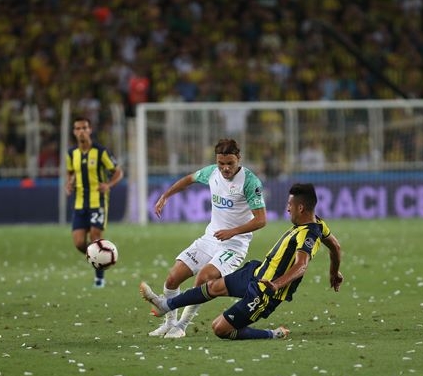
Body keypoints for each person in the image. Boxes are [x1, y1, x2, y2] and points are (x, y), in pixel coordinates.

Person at [140, 183, 343, 340]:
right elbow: (335, 246)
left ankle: (273, 334)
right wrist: (334, 272)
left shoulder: (309, 234)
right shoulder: (318, 223)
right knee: (212, 286)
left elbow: (301, 265)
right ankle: (166, 305)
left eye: (290, 205)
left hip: (265, 292)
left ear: (300, 208)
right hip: (257, 272)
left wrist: (276, 284)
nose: (287, 209)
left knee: (220, 329)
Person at [146, 138, 267, 339]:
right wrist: (165, 196)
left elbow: (261, 220)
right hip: (210, 238)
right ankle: (169, 324)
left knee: (203, 278)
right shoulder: (211, 172)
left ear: (239, 158)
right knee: (173, 278)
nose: (225, 168)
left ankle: (182, 326)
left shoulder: (250, 182)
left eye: (230, 163)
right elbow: (188, 179)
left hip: (234, 245)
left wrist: (233, 232)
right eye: (221, 163)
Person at [65, 117, 123, 288]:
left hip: (98, 201)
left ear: (90, 130)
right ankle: (102, 257)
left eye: (84, 128)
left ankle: (99, 278)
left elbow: (118, 172)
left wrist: (108, 185)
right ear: (74, 132)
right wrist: (70, 183)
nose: (81, 131)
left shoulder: (100, 152)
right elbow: (71, 172)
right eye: (78, 128)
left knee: (95, 237)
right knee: (78, 243)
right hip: (79, 202)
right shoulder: (71, 154)